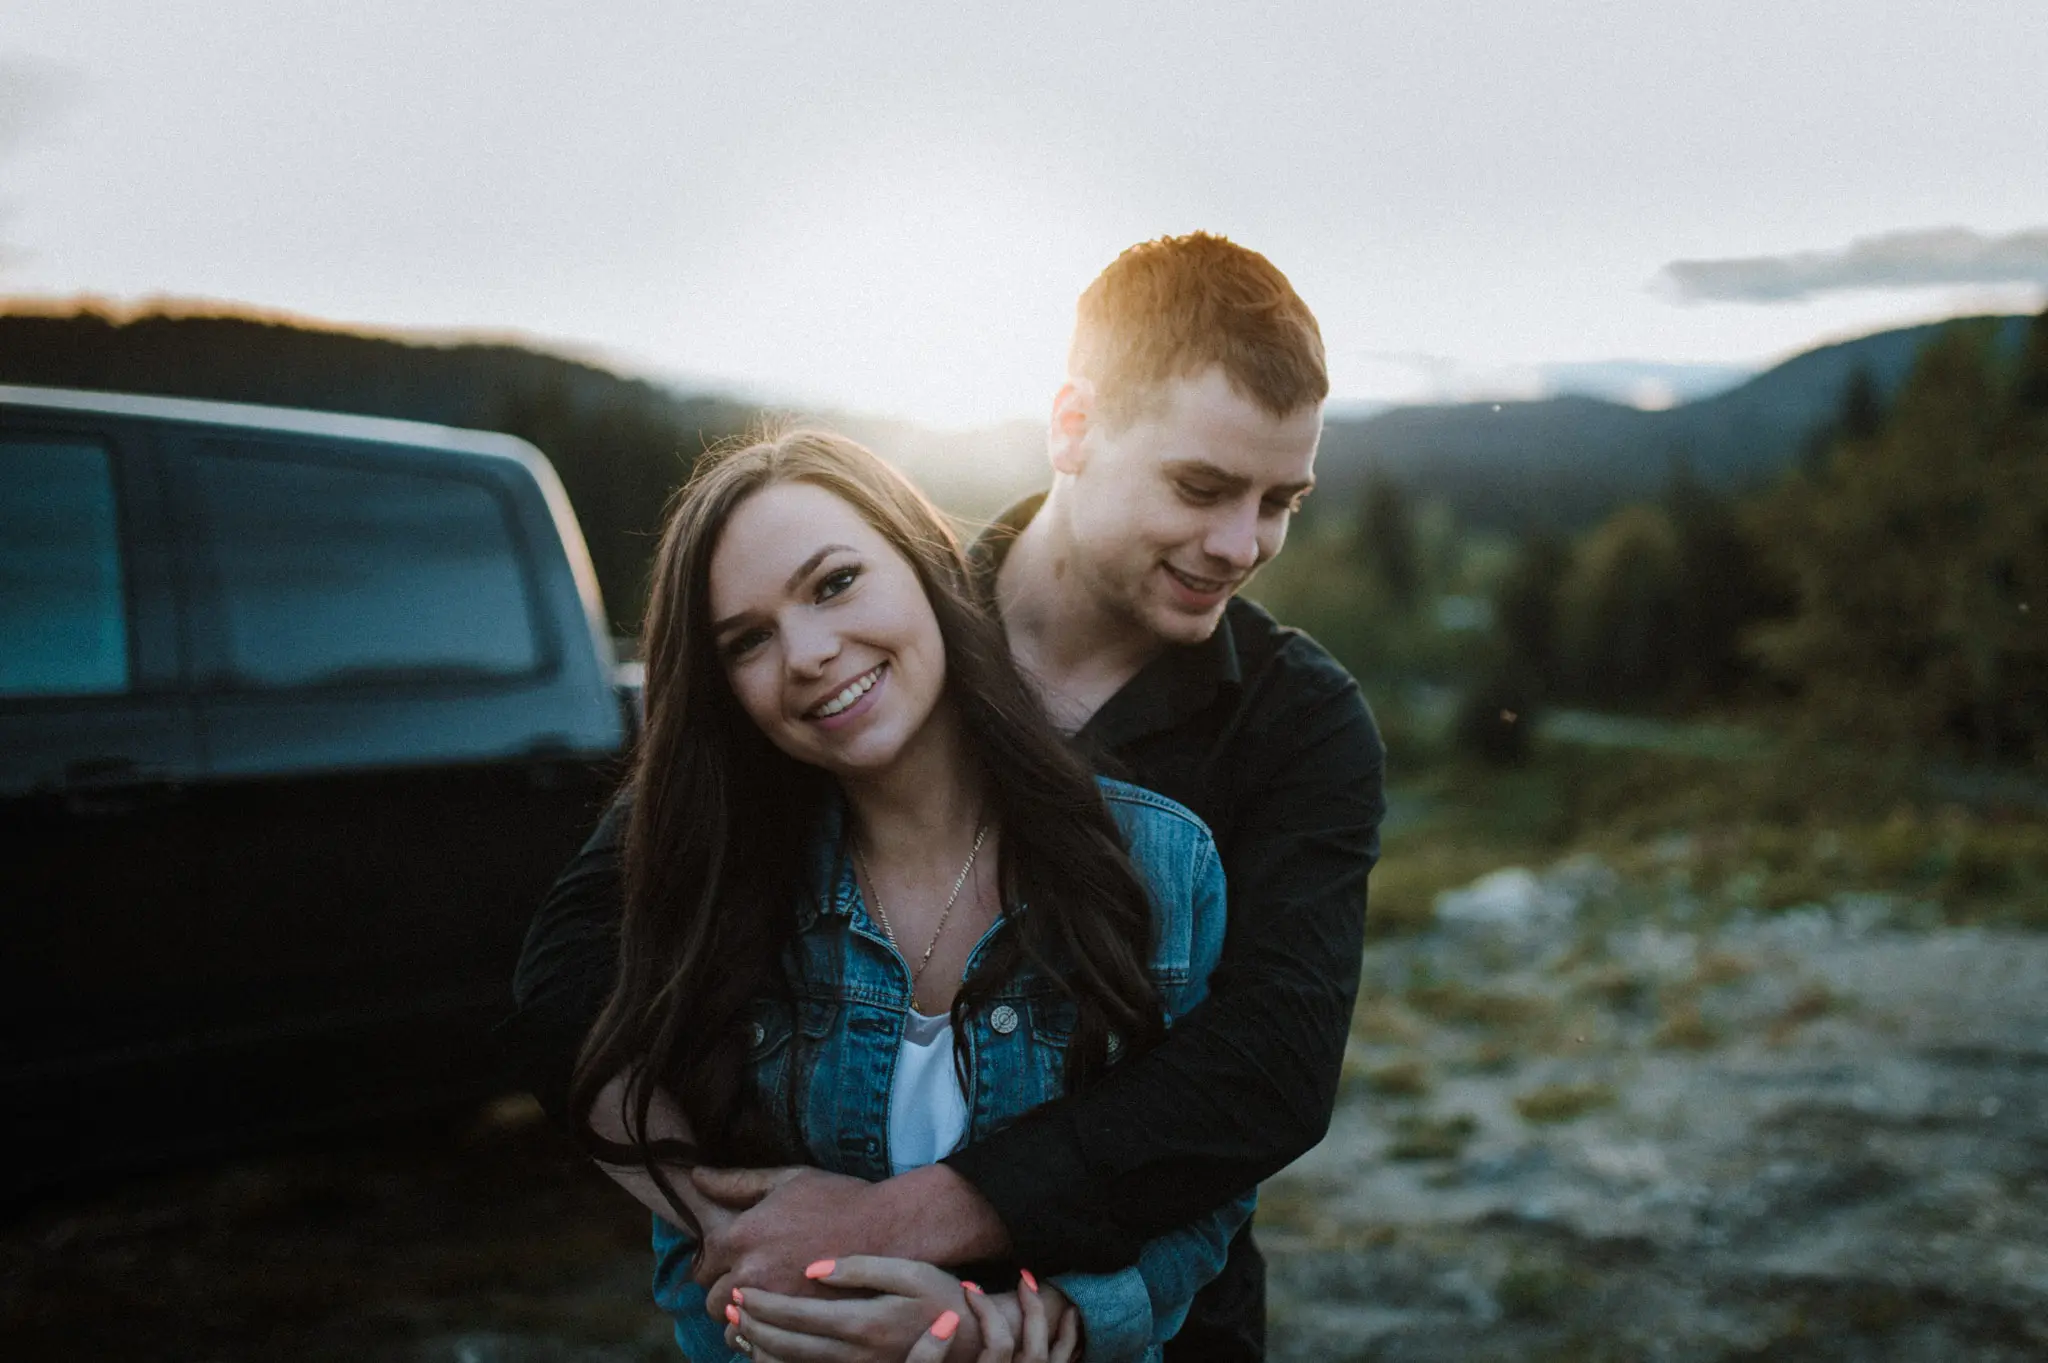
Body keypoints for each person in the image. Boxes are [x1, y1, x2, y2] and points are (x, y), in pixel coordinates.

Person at [504, 232, 1387, 1360]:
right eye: (1201, 486)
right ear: (1071, 426)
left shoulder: (1296, 720)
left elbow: (1266, 1068)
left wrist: (900, 1234)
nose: (1239, 542)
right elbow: (573, 963)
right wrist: (746, 1234)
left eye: (1280, 500)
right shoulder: (877, 623)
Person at [575, 429, 1249, 1361]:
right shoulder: (723, 896)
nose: (808, 651)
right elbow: (705, 1251)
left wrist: (1042, 1320)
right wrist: (811, 1330)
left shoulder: (1157, 861)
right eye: (748, 639)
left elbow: (1203, 1188)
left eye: (835, 582)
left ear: (926, 566)